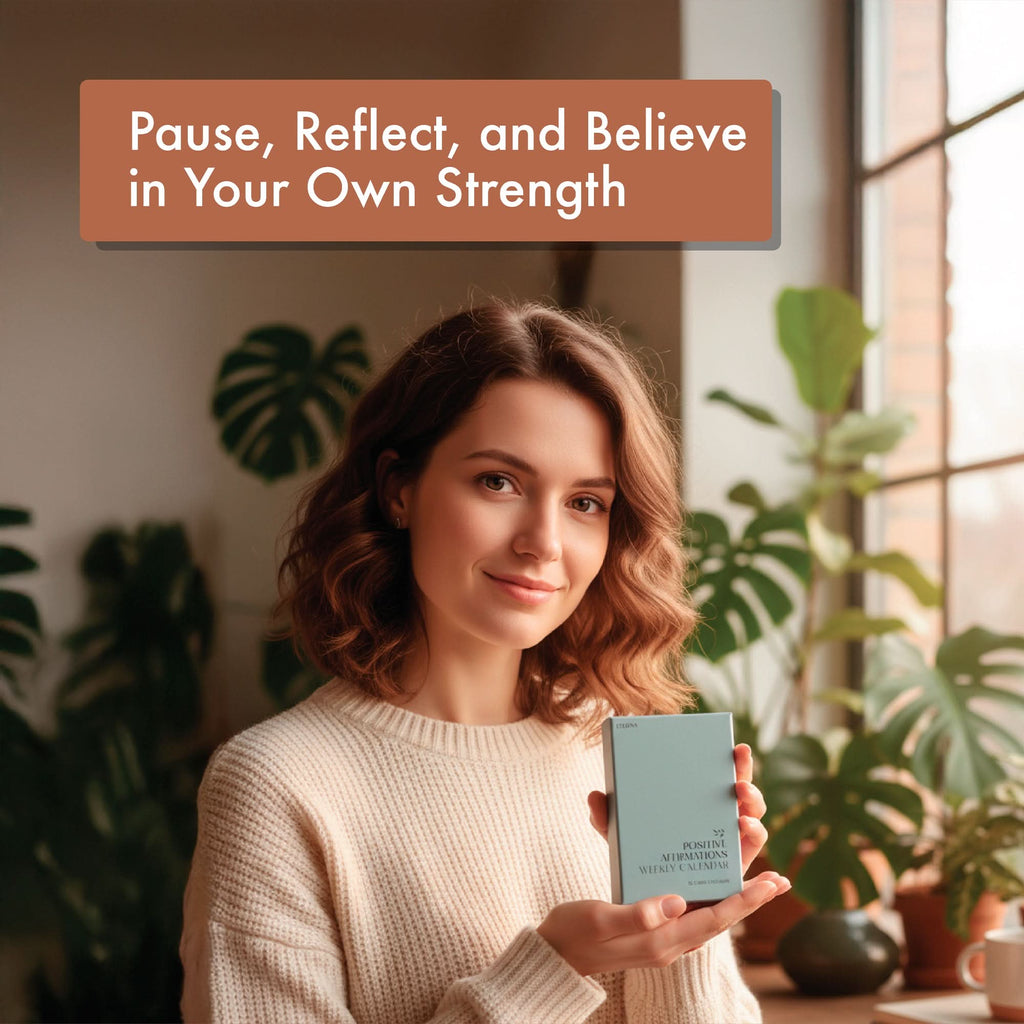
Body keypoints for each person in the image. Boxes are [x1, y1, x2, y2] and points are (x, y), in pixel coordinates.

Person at [179, 299, 789, 1023]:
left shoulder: (621, 756)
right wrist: (553, 972)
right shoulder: (278, 786)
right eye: (499, 482)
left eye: (586, 502)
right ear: (398, 490)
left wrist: (685, 933)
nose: (544, 542)